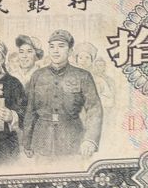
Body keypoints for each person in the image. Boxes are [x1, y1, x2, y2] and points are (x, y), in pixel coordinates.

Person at [23, 30, 103, 161]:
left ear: (70, 51)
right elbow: (30, 110)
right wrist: (27, 142)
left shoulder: (83, 76)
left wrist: (90, 140)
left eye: (61, 46)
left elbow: (94, 109)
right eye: (52, 46)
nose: (55, 51)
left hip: (72, 139)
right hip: (41, 141)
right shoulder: (37, 75)